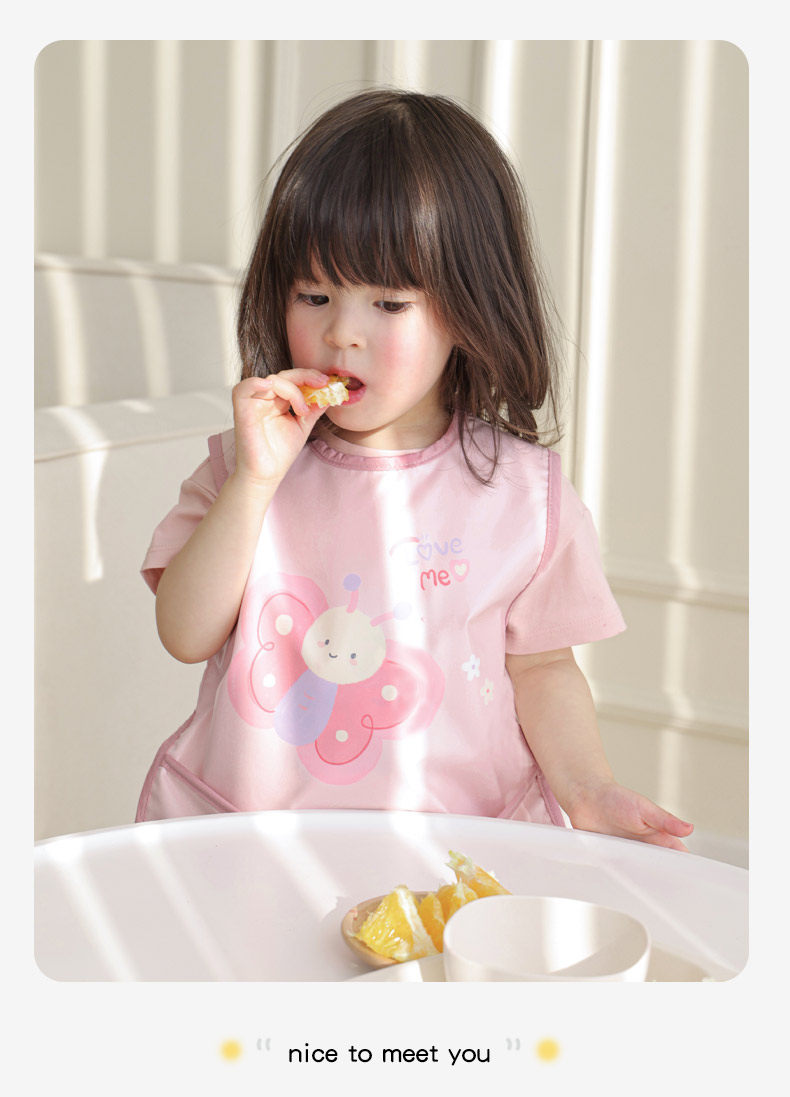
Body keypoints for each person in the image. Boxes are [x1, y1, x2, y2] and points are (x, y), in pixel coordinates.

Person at [138, 88, 692, 851]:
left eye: (389, 303)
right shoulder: (247, 462)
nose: (342, 332)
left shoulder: (523, 495)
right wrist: (254, 483)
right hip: (251, 840)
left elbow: (543, 670)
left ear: (466, 307)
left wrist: (588, 789)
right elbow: (184, 632)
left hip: (452, 845)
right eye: (314, 294)